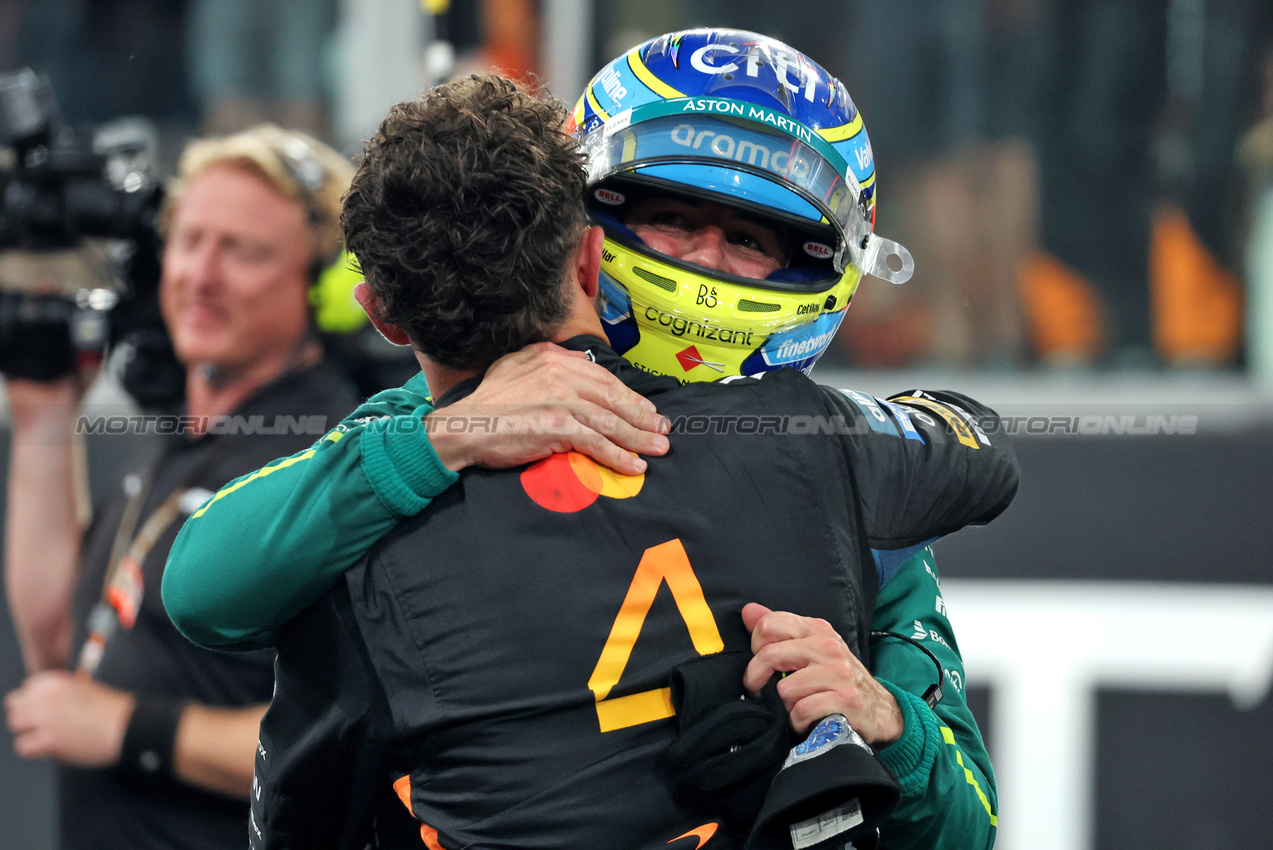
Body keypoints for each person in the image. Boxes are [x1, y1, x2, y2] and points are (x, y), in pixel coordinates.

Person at [164, 31, 1014, 849]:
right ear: (586, 234)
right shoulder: (428, 426)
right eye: (674, 218)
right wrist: (450, 436)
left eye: (751, 241)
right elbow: (204, 585)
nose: (707, 261)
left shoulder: (834, 470)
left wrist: (888, 725)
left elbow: (966, 829)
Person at [0, 121, 660, 850]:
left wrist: (132, 730)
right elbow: (61, 640)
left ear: (330, 292)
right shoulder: (182, 433)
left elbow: (356, 726)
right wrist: (42, 419)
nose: (202, 275)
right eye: (189, 241)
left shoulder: (324, 449)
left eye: (243, 251)